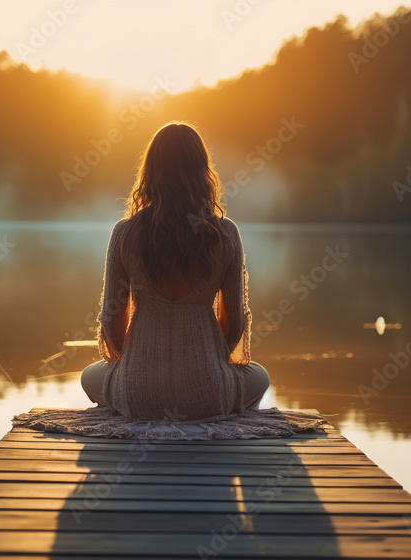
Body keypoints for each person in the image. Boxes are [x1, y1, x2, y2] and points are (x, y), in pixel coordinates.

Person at [79, 122, 270, 421]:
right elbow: (233, 326)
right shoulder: (226, 234)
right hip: (207, 394)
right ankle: (224, 422)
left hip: (138, 394)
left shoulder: (125, 233)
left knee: (89, 376)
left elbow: (112, 322)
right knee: (261, 377)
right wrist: (208, 358)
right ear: (203, 172)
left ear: (150, 173)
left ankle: (129, 408)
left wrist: (134, 362)